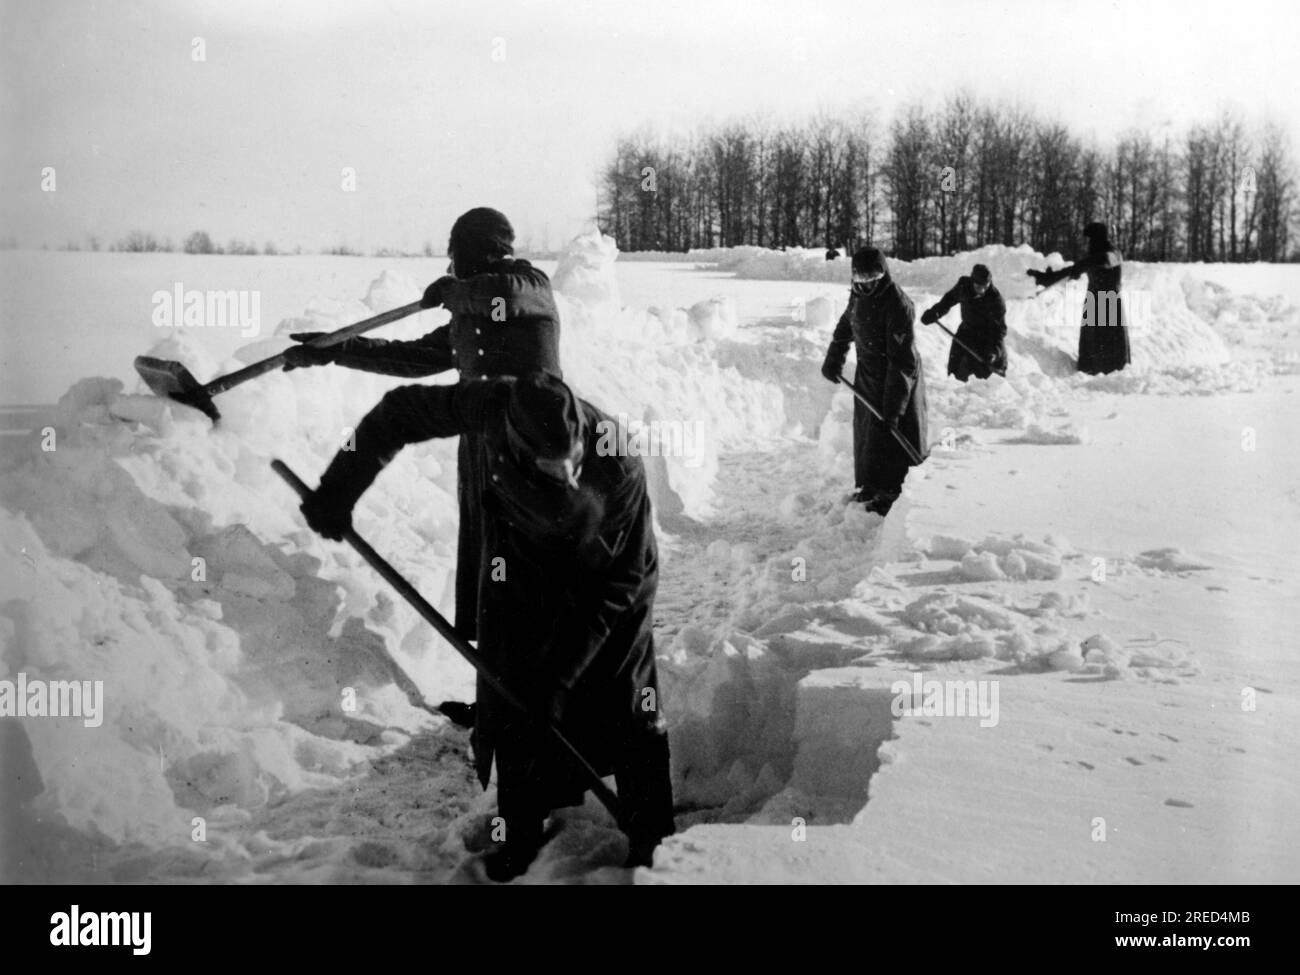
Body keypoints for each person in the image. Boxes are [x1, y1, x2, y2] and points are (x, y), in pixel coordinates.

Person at [298, 372, 674, 881]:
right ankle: (518, 835)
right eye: (548, 464)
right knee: (510, 689)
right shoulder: (491, 405)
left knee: (624, 689)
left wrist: (559, 678)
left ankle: (654, 838)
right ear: (516, 442)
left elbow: (614, 588)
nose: (563, 474)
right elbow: (399, 411)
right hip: (523, 554)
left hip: (610, 572)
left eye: (570, 461)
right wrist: (338, 488)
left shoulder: (617, 462)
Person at [281, 208, 561, 662]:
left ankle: (538, 698)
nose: (450, 267)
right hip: (482, 452)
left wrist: (453, 292)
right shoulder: (468, 317)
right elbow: (408, 357)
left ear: (482, 252)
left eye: (457, 256)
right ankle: (495, 699)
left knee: (528, 566)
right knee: (492, 566)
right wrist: (336, 348)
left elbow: (504, 294)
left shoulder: (530, 286)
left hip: (536, 446)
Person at [820, 246, 929, 514]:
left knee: (891, 430)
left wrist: (893, 407)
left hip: (897, 375)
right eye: (861, 280)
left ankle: (891, 493)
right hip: (869, 374)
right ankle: (870, 485)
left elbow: (901, 362)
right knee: (868, 433)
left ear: (883, 274)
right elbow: (848, 323)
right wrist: (835, 357)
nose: (866, 286)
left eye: (872, 279)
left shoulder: (897, 304)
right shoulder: (858, 295)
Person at [1027, 221, 1131, 375]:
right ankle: (1092, 368)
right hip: (1095, 300)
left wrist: (1081, 266)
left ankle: (1109, 370)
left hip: (1108, 301)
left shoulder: (1112, 253)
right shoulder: (1097, 255)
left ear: (1098, 238)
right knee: (1093, 341)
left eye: (1090, 239)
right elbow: (1077, 268)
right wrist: (1049, 278)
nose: (1088, 243)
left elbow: (1101, 261)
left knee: (1106, 343)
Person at [919, 263, 1008, 381]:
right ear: (972, 281)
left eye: (985, 287)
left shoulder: (996, 300)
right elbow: (949, 299)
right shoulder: (964, 286)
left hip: (988, 338)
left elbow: (999, 331)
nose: (982, 291)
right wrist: (935, 313)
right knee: (955, 369)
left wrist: (993, 353)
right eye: (978, 287)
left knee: (984, 378)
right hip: (967, 331)